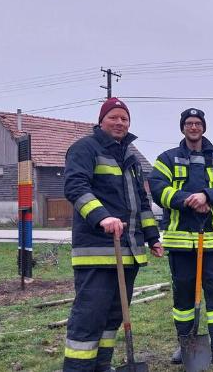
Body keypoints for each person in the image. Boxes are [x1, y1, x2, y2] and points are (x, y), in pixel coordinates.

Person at [62, 97, 163, 372]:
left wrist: (152, 237)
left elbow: (142, 202)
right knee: (89, 317)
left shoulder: (130, 157)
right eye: (113, 117)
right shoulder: (85, 149)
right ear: (101, 120)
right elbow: (75, 187)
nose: (119, 123)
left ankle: (101, 365)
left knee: (112, 317)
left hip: (127, 252)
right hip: (96, 252)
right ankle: (78, 368)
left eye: (124, 118)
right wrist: (101, 216)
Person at [147, 108, 213, 365]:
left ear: (203, 127)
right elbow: (159, 189)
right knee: (183, 298)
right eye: (189, 123)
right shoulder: (167, 158)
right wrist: (190, 200)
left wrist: (208, 195)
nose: (193, 127)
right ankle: (185, 344)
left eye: (197, 123)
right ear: (183, 128)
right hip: (181, 243)